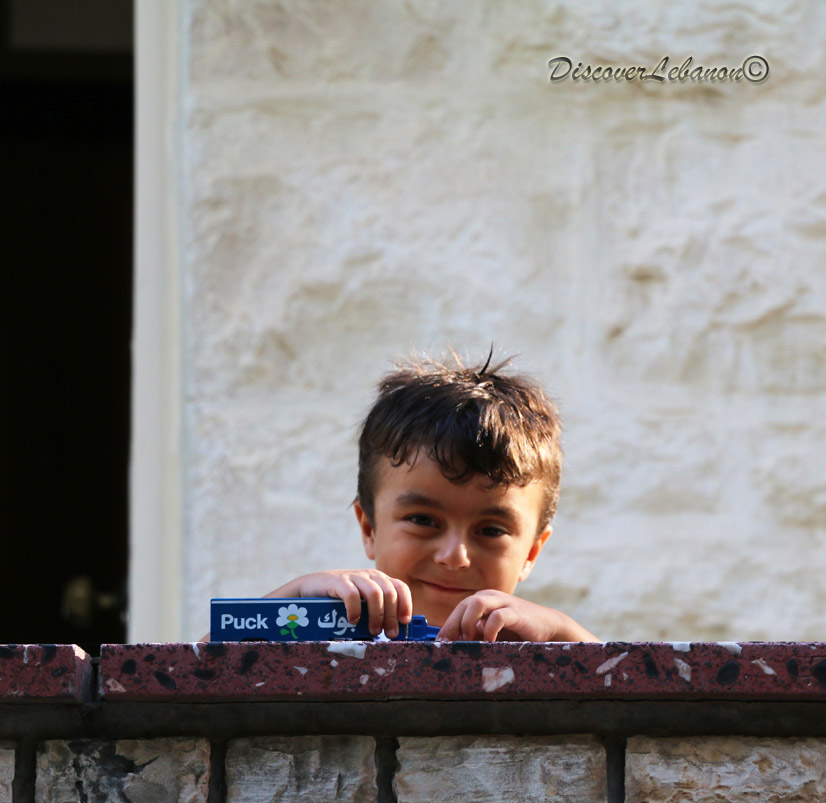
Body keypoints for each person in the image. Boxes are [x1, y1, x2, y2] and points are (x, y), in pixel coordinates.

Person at [265, 351, 597, 643]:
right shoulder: (320, 634)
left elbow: (638, 703)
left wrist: (562, 634)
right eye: (423, 520)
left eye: (491, 530)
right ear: (369, 528)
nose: (454, 557)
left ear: (532, 552)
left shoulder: (535, 653)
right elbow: (211, 676)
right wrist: (290, 601)